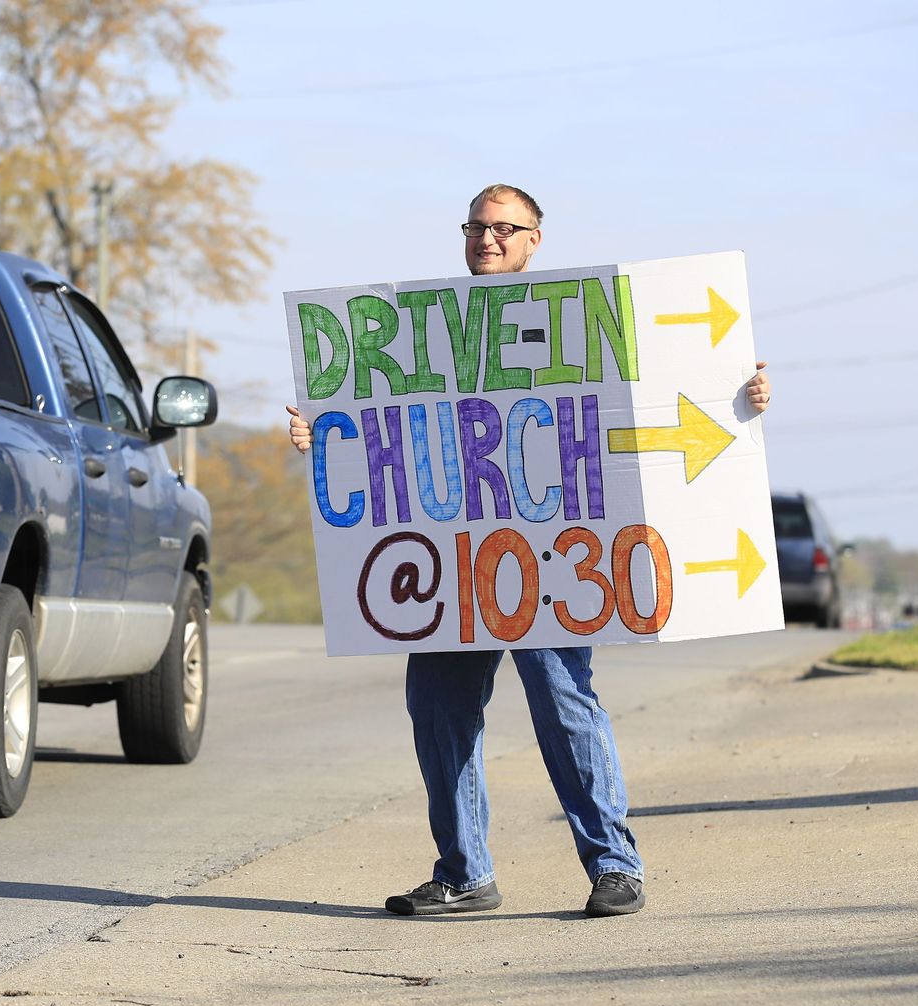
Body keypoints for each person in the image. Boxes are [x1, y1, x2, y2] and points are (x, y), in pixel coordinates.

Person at [285, 184, 772, 917]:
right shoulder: (431, 334)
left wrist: (742, 396)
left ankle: (615, 865)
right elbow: (386, 436)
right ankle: (464, 872)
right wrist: (322, 438)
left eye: (504, 228)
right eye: (476, 227)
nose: (488, 239)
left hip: (549, 557)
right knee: (437, 709)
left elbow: (663, 392)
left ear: (536, 238)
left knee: (563, 700)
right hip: (457, 565)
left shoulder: (575, 321)